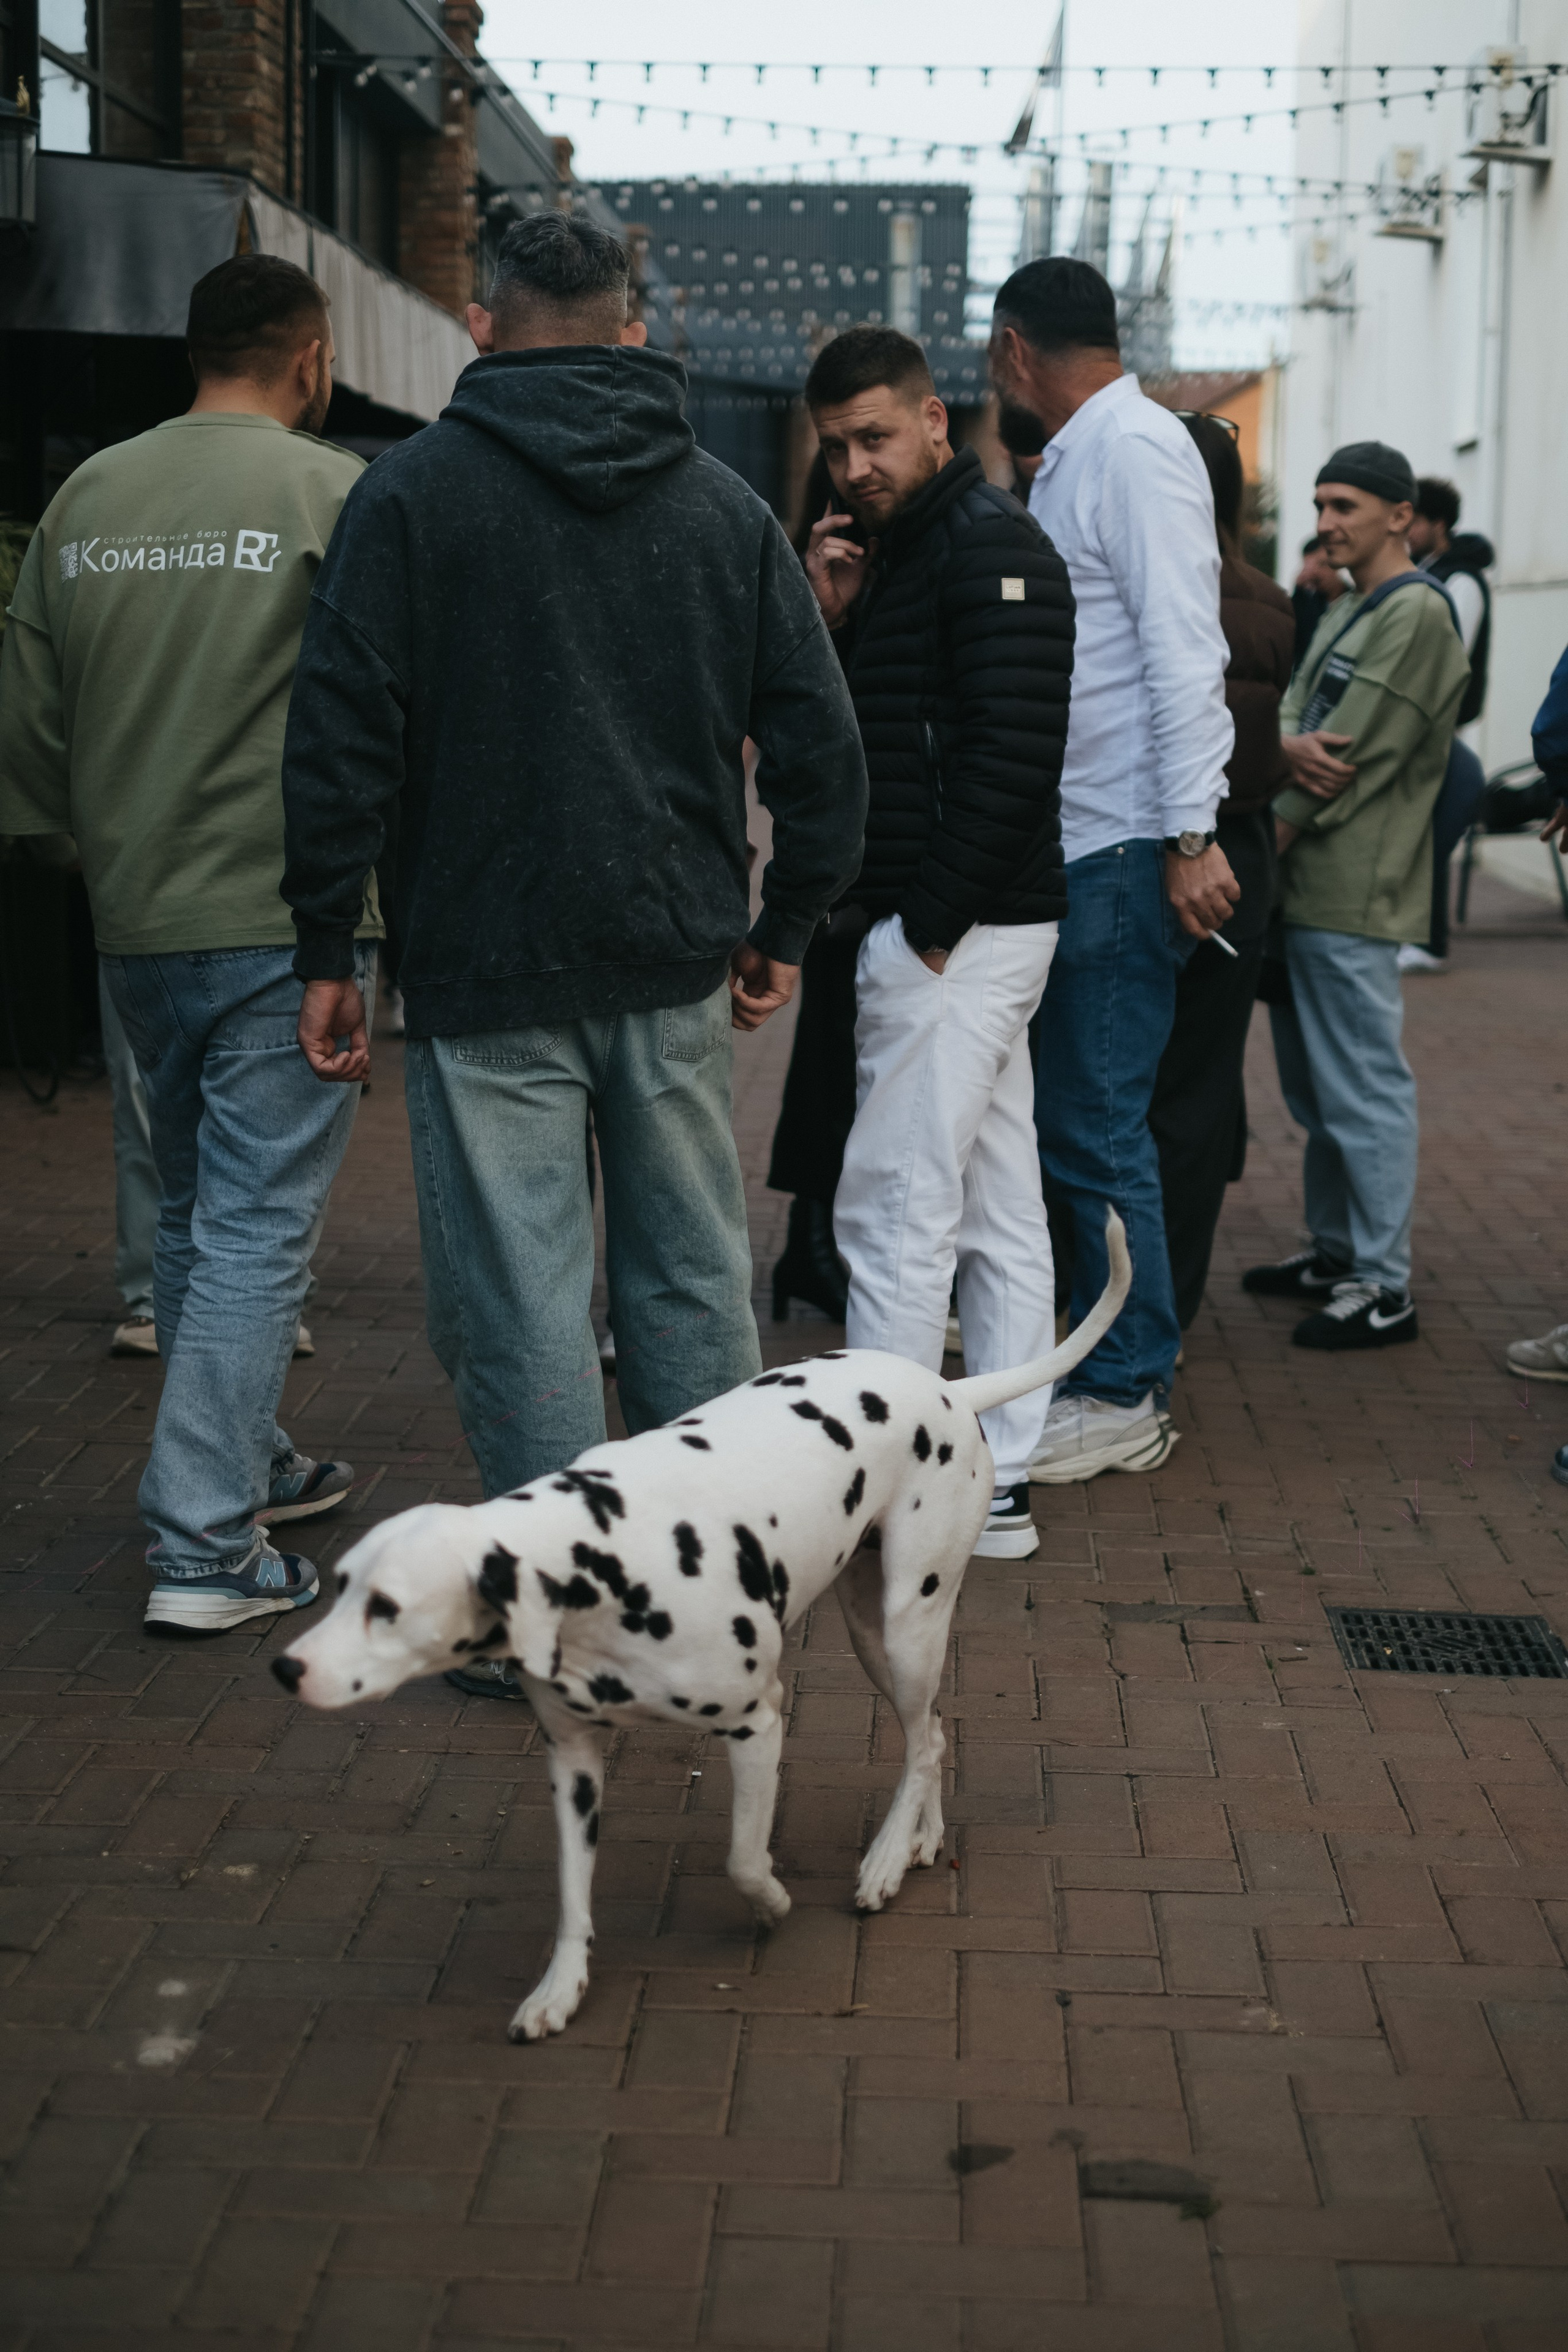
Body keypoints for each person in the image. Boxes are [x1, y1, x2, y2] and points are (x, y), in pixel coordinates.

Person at [281, 213, 866, 1504]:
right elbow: (824, 751)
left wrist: (329, 942)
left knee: (518, 1297)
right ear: (631, 331)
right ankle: (705, 1576)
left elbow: (336, 747)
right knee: (691, 1284)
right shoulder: (725, 511)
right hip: (669, 955)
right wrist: (782, 929)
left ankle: (553, 1610)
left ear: (482, 327)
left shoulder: (409, 498)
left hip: (480, 959)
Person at [0, 254, 375, 1630]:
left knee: (196, 1214)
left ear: (192, 352)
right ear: (312, 356)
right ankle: (206, 1547)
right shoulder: (331, 493)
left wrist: (87, 855)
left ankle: (253, 1457)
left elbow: (28, 727)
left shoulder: (88, 496)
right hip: (288, 921)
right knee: (256, 1229)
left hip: (135, 915)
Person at [797, 323, 1074, 1559]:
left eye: (870, 435)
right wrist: (843, 615)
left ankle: (899, 1485)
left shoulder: (990, 550)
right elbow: (905, 728)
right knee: (994, 1201)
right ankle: (995, 1479)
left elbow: (1015, 757)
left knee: (898, 1203)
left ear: (931, 419)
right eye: (833, 445)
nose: (852, 464)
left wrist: (925, 927)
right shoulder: (911, 555)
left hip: (959, 931)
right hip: (969, 926)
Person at [988, 257, 1236, 1483]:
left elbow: (1182, 646)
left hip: (1126, 842)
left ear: (1012, 347)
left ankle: (1126, 1385)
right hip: (1085, 837)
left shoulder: (1133, 449)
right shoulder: (1086, 451)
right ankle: (1098, 1352)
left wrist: (1188, 837)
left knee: (1094, 1123)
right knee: (1074, 1122)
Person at [1244, 441, 1469, 1349]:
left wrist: (1261, 851)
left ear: (1400, 518)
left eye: (1346, 507)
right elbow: (1293, 721)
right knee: (1318, 1092)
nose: (1328, 522)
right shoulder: (1353, 604)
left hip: (1352, 893)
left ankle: (1385, 1286)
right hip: (1309, 892)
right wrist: (1285, 751)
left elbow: (1334, 765)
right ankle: (1337, 1253)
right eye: (1322, 505)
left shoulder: (1414, 614)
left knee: (1365, 1089)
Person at [1149, 414, 1295, 1330]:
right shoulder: (1273, 600)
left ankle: (1118, 1306)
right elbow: (1262, 743)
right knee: (1202, 1091)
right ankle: (1178, 1305)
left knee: (1120, 1085)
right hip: (1243, 851)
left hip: (1164, 852)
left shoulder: (1148, 592)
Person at [766, 447, 867, 1326]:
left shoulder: (916, 562)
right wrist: (825, 610)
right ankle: (811, 1240)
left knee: (844, 1064)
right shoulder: (804, 582)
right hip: (846, 862)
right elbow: (786, 722)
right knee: (832, 1062)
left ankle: (813, 1243)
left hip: (882, 850)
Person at [1400, 477, 1494, 973]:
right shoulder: (1426, 572)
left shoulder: (1461, 580)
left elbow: (1448, 656)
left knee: (1429, 832)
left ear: (1438, 524)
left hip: (1437, 729)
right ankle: (1412, 934)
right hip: (1421, 726)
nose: (1405, 529)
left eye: (1414, 520)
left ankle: (1428, 941)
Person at [1292, 533, 1347, 669]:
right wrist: (1298, 591)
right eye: (1310, 566)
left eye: (1323, 564)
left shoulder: (1354, 600)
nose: (1317, 573)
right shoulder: (1305, 606)